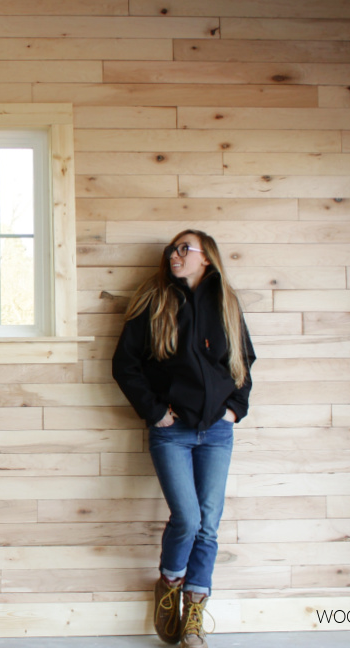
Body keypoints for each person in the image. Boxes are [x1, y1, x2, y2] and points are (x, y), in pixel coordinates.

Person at [111, 229, 255, 648]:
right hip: (172, 434)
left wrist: (234, 410)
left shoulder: (226, 302)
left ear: (205, 258)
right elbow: (124, 364)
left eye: (184, 249)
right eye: (172, 248)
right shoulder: (155, 300)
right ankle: (170, 584)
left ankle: (194, 613)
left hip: (216, 432)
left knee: (209, 523)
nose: (174, 254)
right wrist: (155, 412)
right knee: (188, 519)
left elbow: (243, 361)